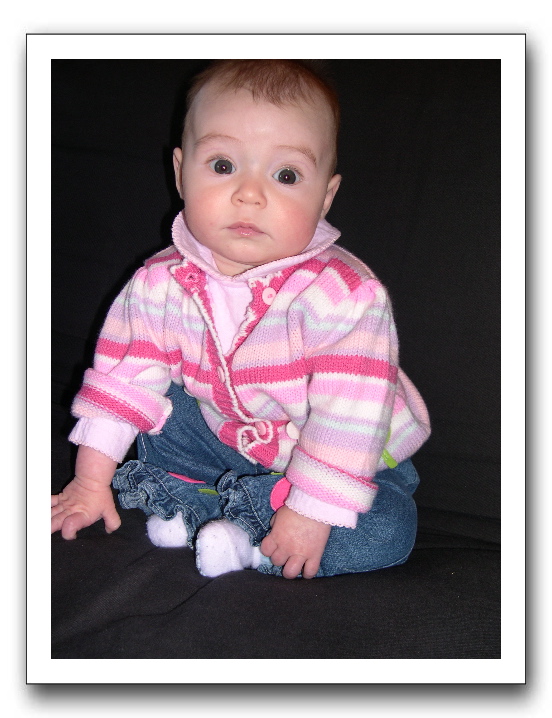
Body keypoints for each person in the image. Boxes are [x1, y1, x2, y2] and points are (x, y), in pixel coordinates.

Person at [51, 60, 431, 580]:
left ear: (325, 197)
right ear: (180, 173)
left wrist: (310, 509)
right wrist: (90, 482)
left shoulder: (344, 297)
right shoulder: (159, 283)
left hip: (346, 457)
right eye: (223, 164)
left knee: (389, 530)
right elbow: (123, 382)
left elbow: (351, 415)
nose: (250, 194)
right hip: (226, 436)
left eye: (286, 175)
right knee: (162, 403)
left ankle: (246, 539)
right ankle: (209, 507)